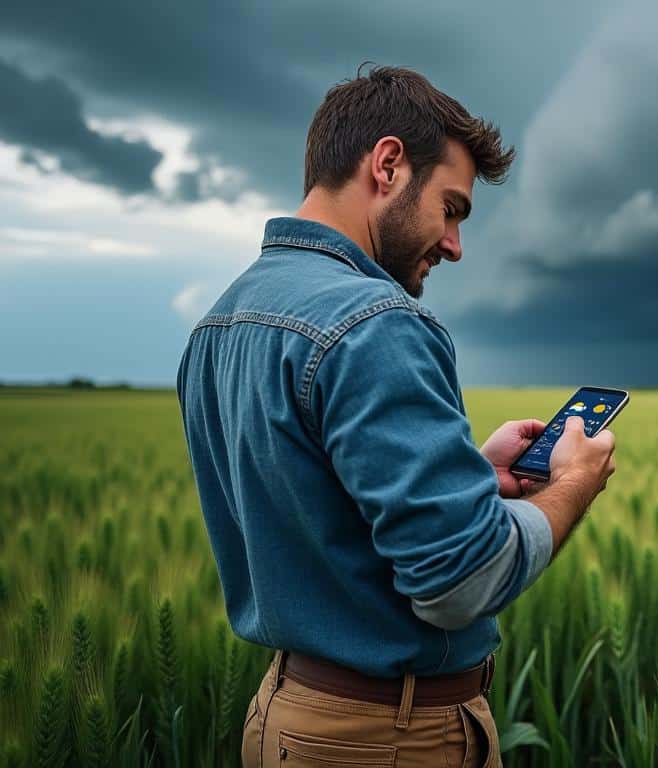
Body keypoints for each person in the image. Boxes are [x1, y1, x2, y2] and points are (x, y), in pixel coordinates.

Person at [176, 64, 616, 768]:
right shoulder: (376, 322)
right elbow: (462, 580)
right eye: (451, 208)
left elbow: (316, 503)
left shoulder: (218, 324)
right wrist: (573, 484)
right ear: (387, 165)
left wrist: (470, 477)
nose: (455, 245)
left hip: (283, 722)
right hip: (387, 739)